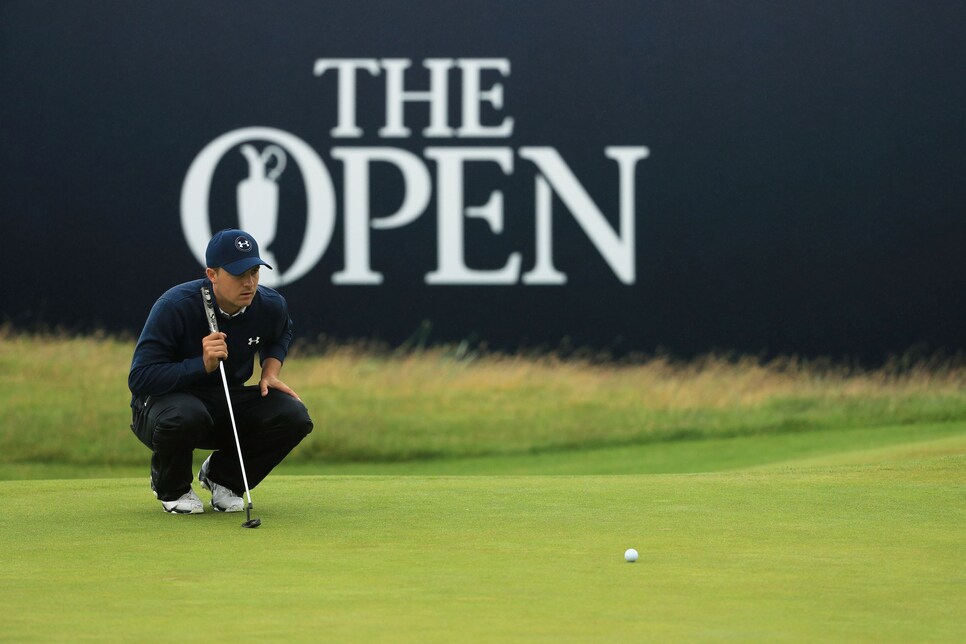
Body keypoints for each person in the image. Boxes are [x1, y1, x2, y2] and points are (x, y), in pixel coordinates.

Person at [128, 229, 313, 514]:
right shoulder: (175, 306)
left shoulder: (269, 304)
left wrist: (270, 371)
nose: (249, 283)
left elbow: (282, 332)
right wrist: (200, 365)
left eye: (254, 272)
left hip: (226, 400)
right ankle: (172, 487)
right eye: (239, 275)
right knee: (185, 414)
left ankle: (223, 478)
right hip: (164, 408)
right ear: (212, 274)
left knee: (293, 415)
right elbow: (140, 379)